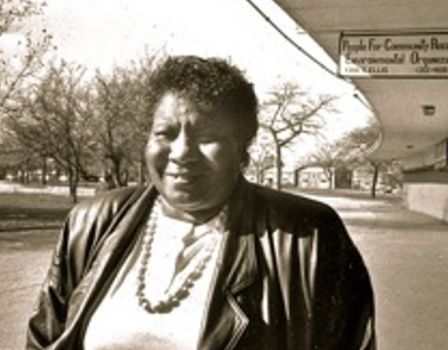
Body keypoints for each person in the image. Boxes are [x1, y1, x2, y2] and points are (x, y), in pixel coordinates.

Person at [26, 56, 375, 349]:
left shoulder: (306, 236)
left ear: (242, 151)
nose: (181, 153)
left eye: (207, 137)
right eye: (165, 133)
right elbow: (45, 339)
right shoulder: (93, 222)